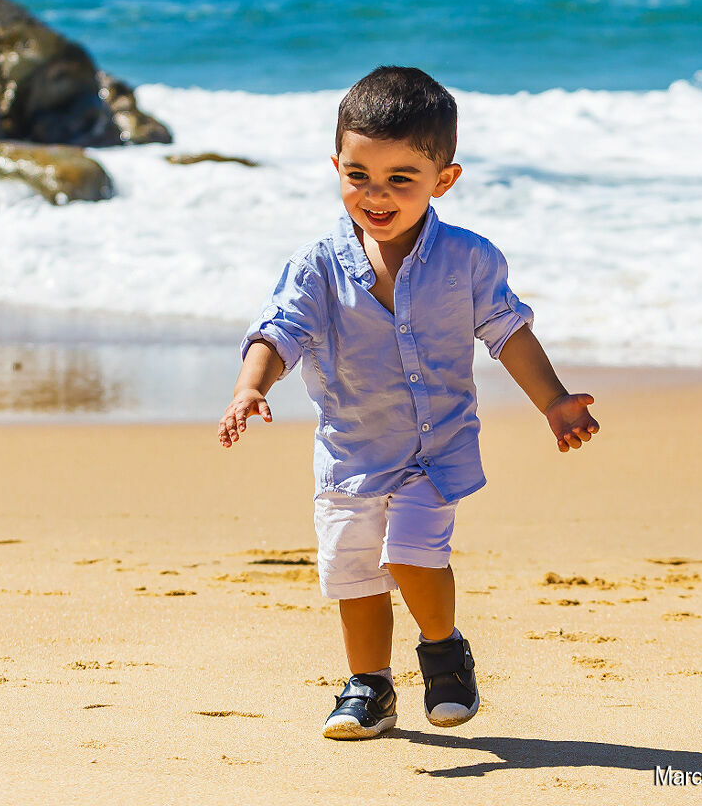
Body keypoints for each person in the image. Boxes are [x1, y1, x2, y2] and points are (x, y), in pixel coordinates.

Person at [217, 66, 600, 737]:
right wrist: (252, 385)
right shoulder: (317, 265)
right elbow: (280, 331)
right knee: (354, 575)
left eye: (401, 178)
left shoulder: (468, 260)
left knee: (410, 551)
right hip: (351, 456)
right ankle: (369, 687)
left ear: (442, 180)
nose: (376, 194)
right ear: (336, 166)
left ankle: (443, 651)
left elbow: (507, 334)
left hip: (435, 449)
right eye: (358, 175)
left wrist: (555, 401)